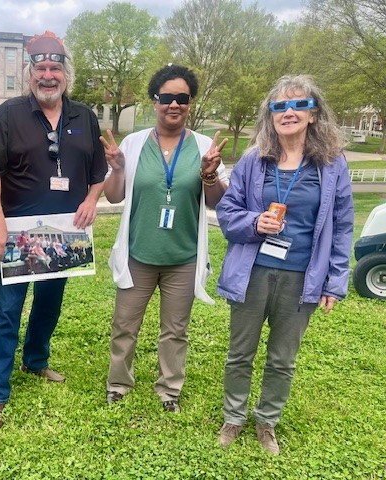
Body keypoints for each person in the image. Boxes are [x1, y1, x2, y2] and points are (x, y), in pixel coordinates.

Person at [215, 75, 354, 454]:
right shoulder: (253, 160)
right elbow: (227, 210)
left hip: (301, 277)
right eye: (279, 106)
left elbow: (342, 225)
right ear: (270, 115)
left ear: (313, 114)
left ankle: (267, 421)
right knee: (239, 352)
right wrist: (254, 222)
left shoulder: (332, 164)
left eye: (298, 104)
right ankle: (234, 417)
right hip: (252, 272)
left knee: (282, 358)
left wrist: (335, 281)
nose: (288, 112)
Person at [0, 30, 107, 429]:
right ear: (29, 73)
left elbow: (98, 171)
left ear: (65, 74)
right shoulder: (9, 114)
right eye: (41, 68)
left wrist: (90, 200)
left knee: (49, 306)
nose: (48, 75)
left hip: (64, 233)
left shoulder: (83, 116)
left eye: (55, 68)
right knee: (6, 313)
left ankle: (36, 361)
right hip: (17, 232)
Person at [101, 64, 229, 413]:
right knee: (124, 326)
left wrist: (209, 174)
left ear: (190, 102)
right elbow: (114, 197)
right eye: (167, 97)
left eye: (182, 98)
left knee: (175, 331)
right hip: (138, 254)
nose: (174, 104)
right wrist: (116, 169)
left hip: (183, 258)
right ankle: (118, 383)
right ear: (155, 101)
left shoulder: (205, 146)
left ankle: (169, 389)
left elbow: (217, 202)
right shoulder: (135, 143)